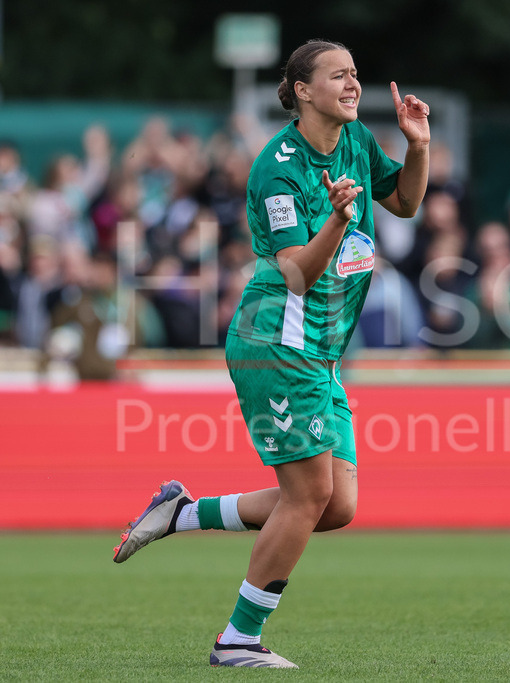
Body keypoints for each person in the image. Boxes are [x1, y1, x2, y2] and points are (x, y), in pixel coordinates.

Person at [111, 39, 430, 668]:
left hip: (322, 350)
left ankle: (182, 513)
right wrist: (336, 222)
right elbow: (295, 275)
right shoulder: (275, 167)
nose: (352, 85)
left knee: (336, 505)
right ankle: (238, 639)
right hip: (275, 341)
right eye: (338, 76)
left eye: (355, 75)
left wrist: (418, 147)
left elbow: (407, 203)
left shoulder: (359, 140)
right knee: (309, 494)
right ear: (302, 91)